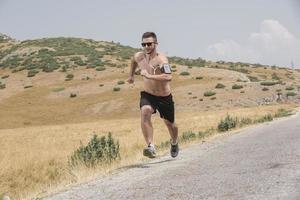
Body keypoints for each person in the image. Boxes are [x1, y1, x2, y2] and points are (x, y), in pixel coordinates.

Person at [127, 32, 179, 158]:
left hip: (164, 96)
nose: (146, 47)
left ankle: (174, 142)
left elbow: (168, 76)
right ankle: (151, 146)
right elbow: (133, 61)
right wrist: (131, 75)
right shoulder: (139, 56)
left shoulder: (161, 59)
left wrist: (149, 76)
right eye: (143, 44)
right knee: (145, 111)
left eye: (149, 44)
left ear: (155, 43)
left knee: (170, 124)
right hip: (148, 94)